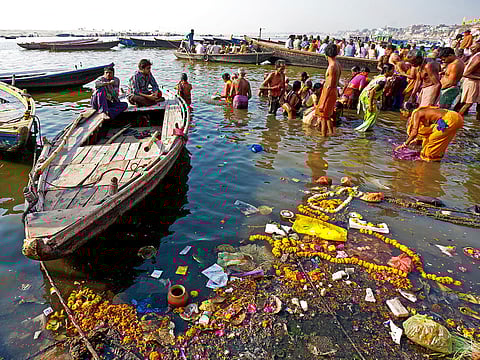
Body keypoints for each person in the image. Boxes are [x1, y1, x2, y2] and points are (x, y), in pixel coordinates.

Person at [395, 107, 463, 161]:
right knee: (437, 138)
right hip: (457, 117)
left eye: (402, 112)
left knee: (431, 142)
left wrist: (404, 144)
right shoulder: (425, 110)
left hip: (450, 120)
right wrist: (416, 140)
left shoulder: (417, 113)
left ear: (407, 111)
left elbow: (414, 132)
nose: (403, 115)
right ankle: (436, 158)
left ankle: (429, 162)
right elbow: (430, 128)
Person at [355, 63, 394, 132]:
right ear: (387, 71)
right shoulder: (383, 80)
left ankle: (366, 129)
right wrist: (370, 105)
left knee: (369, 115)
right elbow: (373, 91)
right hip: (368, 96)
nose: (393, 72)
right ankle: (360, 130)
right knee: (372, 115)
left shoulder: (380, 76)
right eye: (392, 70)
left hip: (364, 95)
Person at [314, 43, 341, 136]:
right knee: (327, 116)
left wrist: (323, 103)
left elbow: (329, 86)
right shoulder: (337, 64)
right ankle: (331, 133)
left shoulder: (332, 66)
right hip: (333, 91)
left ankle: (322, 140)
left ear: (326, 54)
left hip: (328, 92)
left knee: (323, 117)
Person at [455, 41, 480, 118]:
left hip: (474, 81)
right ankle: (456, 120)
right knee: (468, 103)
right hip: (472, 82)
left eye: (473, 46)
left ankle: (476, 124)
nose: (471, 47)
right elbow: (466, 73)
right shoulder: (478, 57)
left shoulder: (474, 56)